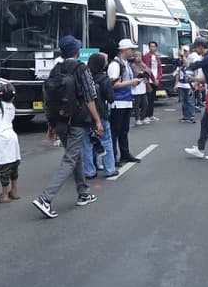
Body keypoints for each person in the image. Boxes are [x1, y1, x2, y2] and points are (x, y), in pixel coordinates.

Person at [33, 36, 102, 217]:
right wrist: (97, 120)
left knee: (75, 155)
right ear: (77, 51)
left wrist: (51, 125)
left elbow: (48, 99)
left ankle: (83, 192)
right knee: (70, 158)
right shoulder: (81, 68)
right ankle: (46, 198)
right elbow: (89, 96)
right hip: (77, 121)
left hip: (59, 121)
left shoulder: (55, 69)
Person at [108, 39, 145, 165]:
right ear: (124, 50)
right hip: (117, 102)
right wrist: (131, 82)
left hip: (126, 100)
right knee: (115, 131)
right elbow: (113, 84)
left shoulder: (126, 64)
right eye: (131, 49)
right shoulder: (115, 65)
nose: (132, 52)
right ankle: (113, 157)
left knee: (124, 130)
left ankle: (125, 154)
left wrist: (134, 82)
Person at [84, 52, 118, 179]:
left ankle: (89, 171)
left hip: (85, 115)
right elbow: (111, 98)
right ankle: (110, 169)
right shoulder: (104, 79)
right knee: (106, 141)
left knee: (87, 143)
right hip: (101, 114)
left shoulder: (84, 78)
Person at [0, 80, 21, 203]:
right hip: (12, 137)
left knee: (4, 168)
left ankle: (4, 195)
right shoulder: (12, 107)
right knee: (14, 165)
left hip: (1, 137)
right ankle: (14, 191)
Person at [141, 41, 163, 123]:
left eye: (153, 46)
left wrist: (158, 78)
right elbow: (147, 69)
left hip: (156, 80)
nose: (152, 48)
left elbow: (160, 69)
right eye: (150, 46)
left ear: (156, 47)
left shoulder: (157, 57)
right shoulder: (146, 56)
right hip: (149, 80)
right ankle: (146, 116)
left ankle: (151, 115)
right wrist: (154, 80)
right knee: (148, 98)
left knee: (152, 98)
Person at [174, 48, 196, 123]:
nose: (184, 53)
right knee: (183, 101)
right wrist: (176, 84)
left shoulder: (192, 60)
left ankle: (191, 116)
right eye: (183, 51)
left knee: (190, 101)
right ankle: (185, 116)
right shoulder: (179, 62)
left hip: (189, 85)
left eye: (185, 51)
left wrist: (194, 85)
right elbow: (177, 73)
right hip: (181, 84)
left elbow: (195, 72)